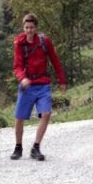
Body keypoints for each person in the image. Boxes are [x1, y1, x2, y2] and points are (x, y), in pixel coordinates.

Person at [10, 14, 66, 161]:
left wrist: (62, 80)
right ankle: (18, 147)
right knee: (19, 118)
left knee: (46, 113)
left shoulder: (44, 41)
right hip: (27, 86)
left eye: (32, 28)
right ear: (23, 27)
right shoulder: (19, 44)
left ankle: (36, 147)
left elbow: (55, 60)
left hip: (43, 84)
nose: (29, 30)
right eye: (27, 27)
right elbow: (17, 66)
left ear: (36, 28)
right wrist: (22, 78)